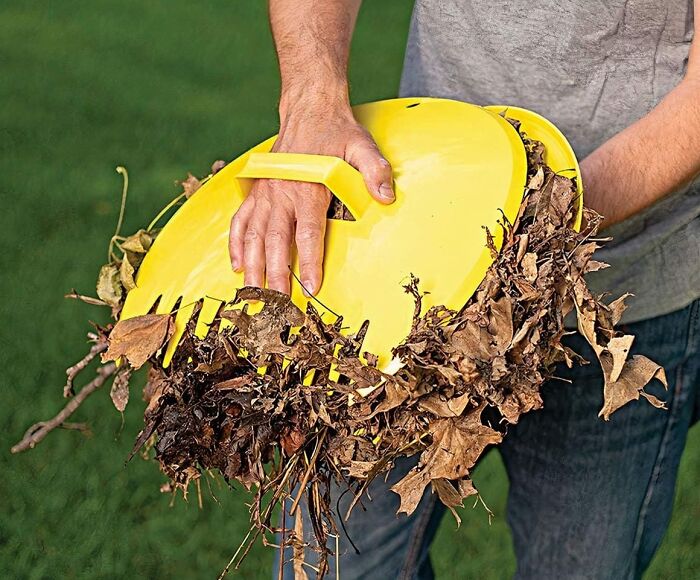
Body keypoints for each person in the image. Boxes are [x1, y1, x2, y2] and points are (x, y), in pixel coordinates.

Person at [229, 2, 700, 578]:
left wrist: (538, 226)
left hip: (617, 305)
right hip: (407, 278)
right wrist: (311, 103)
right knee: (335, 568)